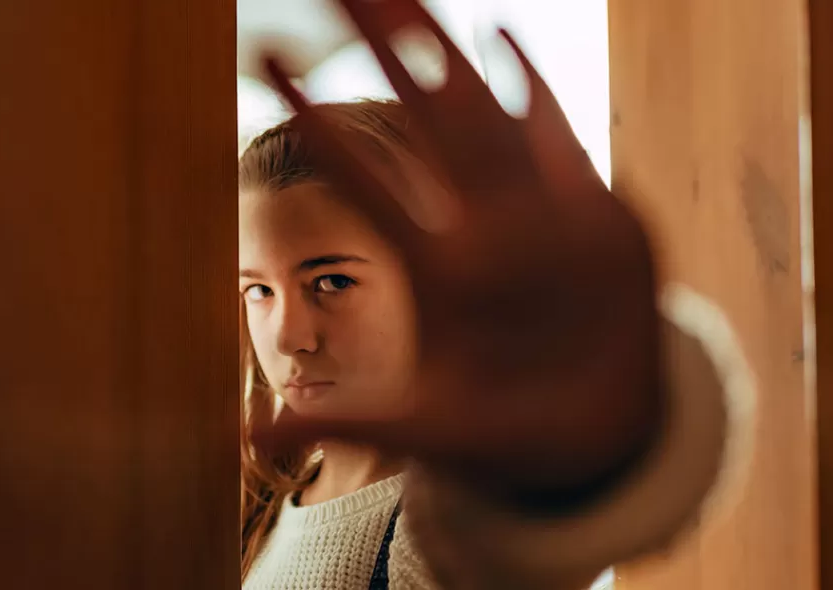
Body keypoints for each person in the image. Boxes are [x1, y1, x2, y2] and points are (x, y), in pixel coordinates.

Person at [238, 1, 755, 588]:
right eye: (257, 290)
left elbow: (519, 546)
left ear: (439, 282)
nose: (287, 336)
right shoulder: (253, 510)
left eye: (331, 282)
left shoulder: (443, 530)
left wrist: (580, 435)